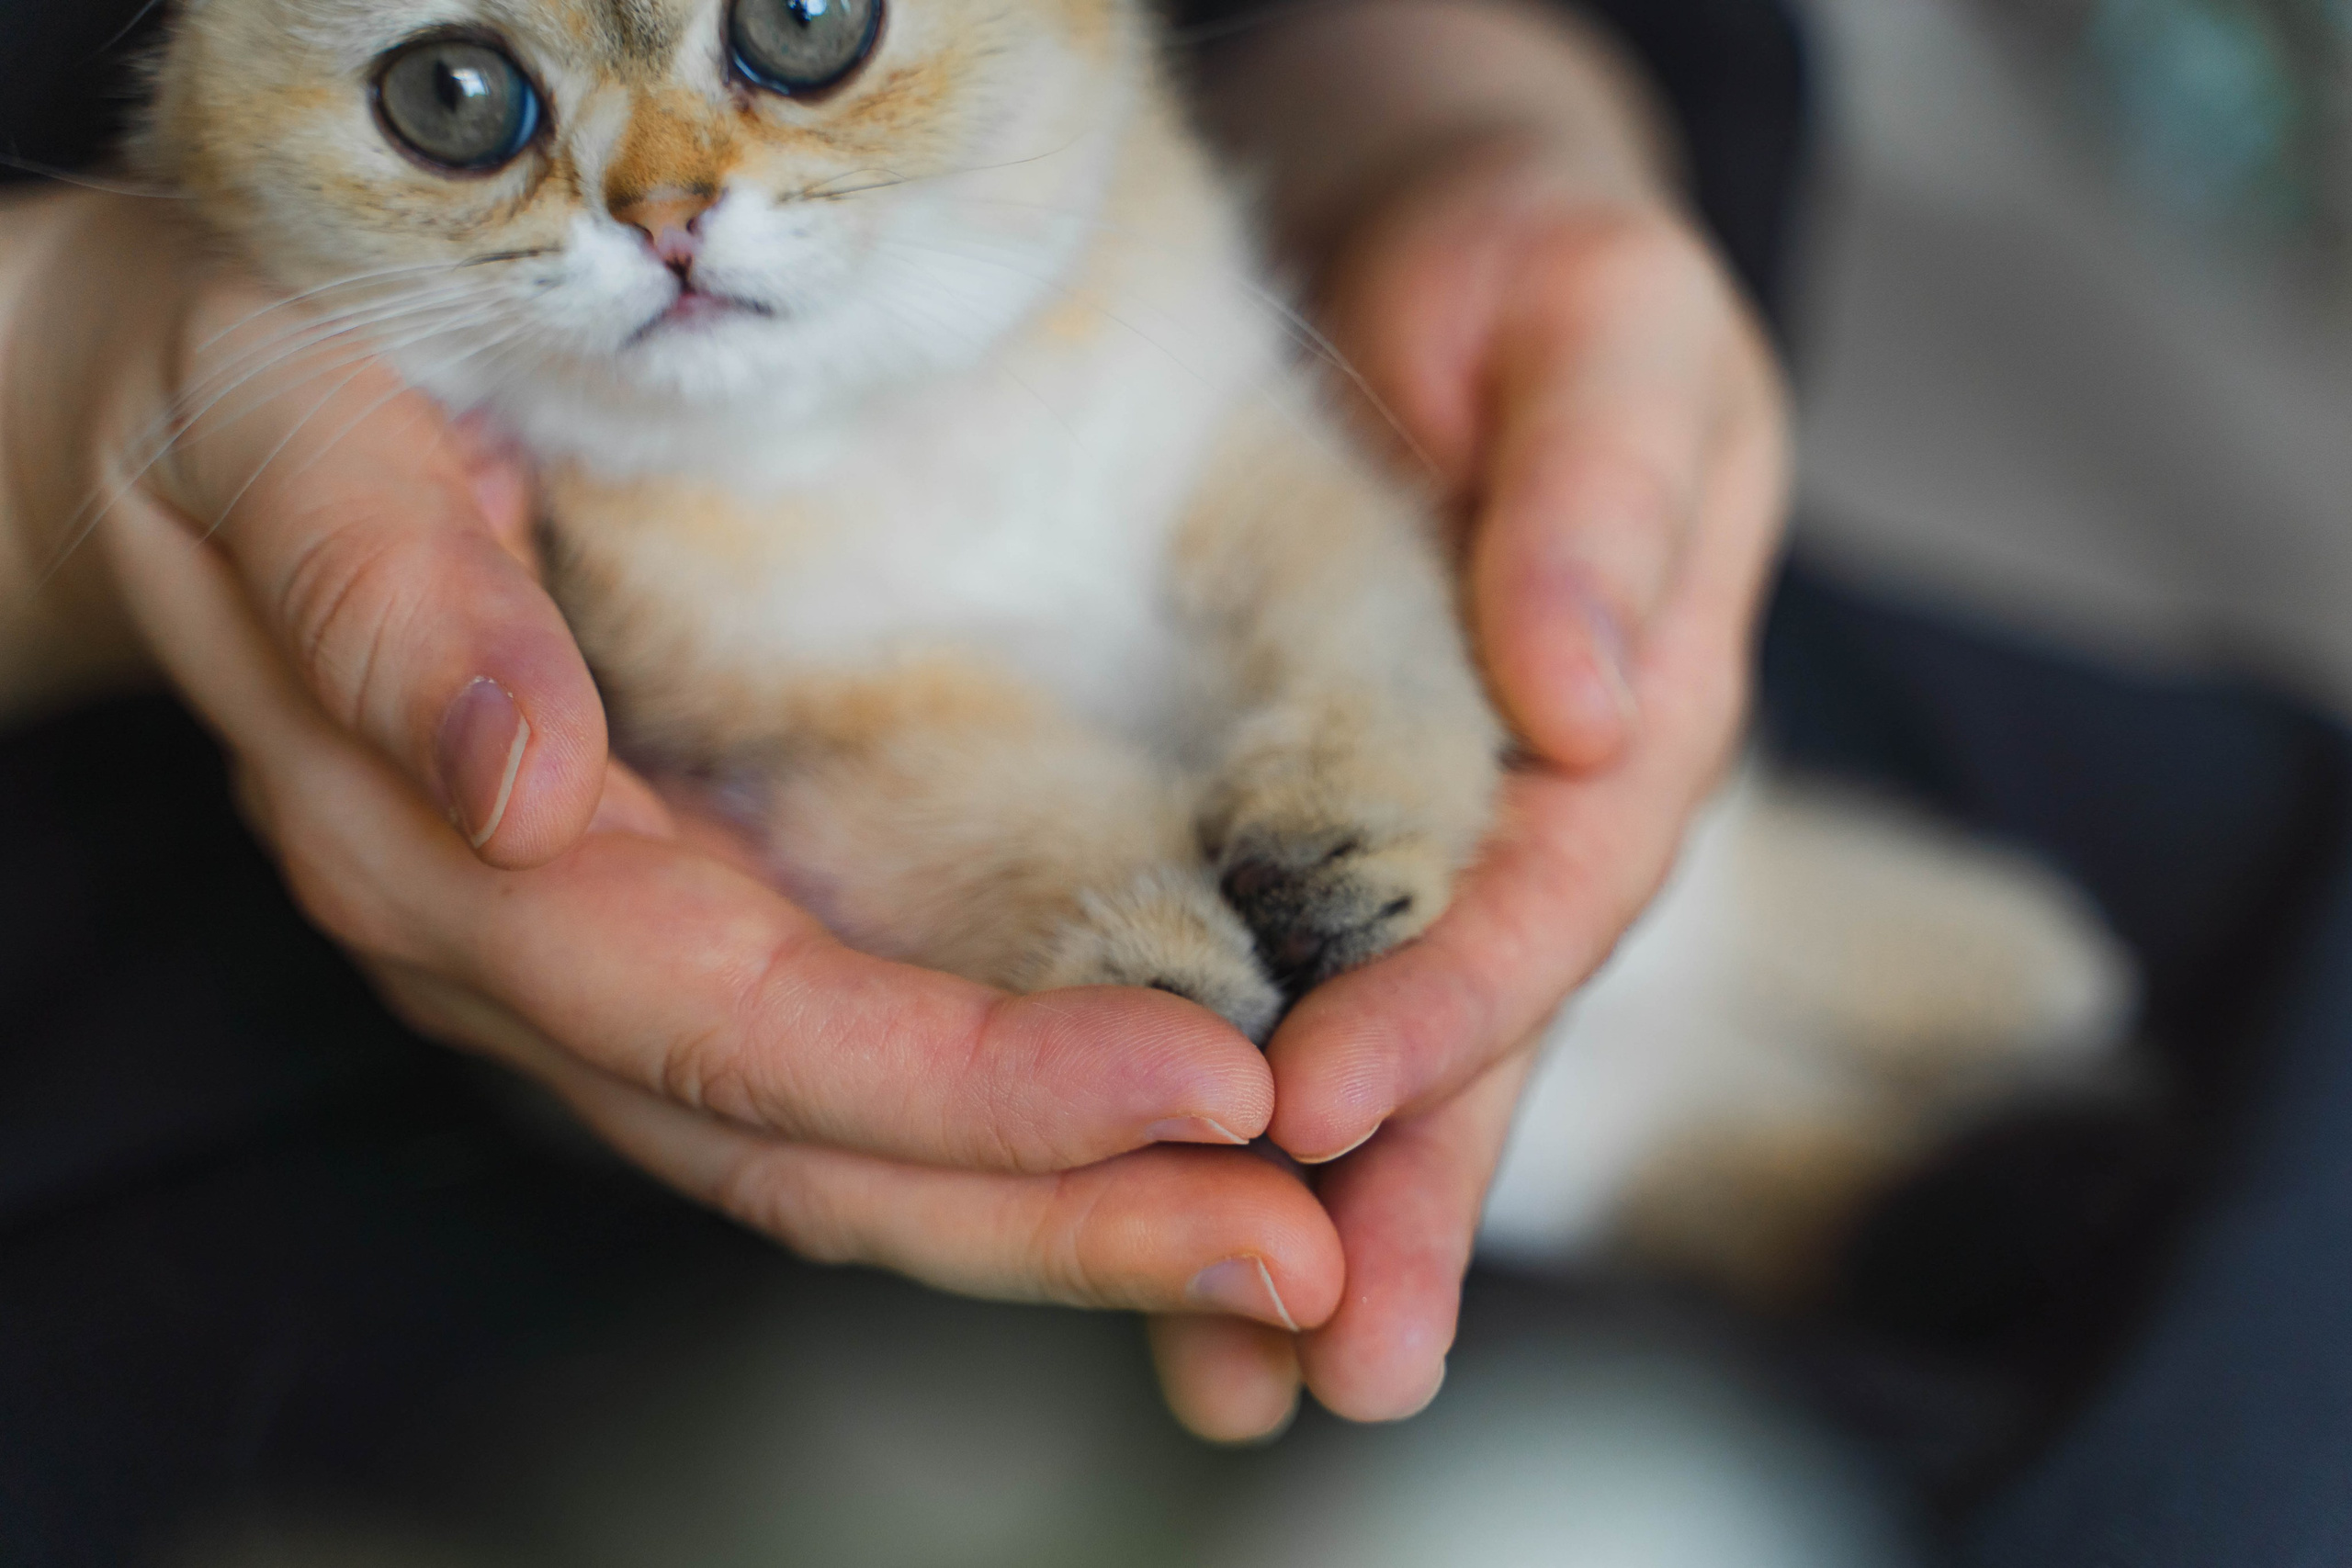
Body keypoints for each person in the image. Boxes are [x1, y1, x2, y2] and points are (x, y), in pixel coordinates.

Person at [8, 1, 2348, 1564]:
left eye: (795, 27)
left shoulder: (1129, 236)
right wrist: (58, 438)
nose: (664, 195)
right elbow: (888, 767)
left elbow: (1295, 497)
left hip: (1405, 449)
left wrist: (1478, 98)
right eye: (455, 102)